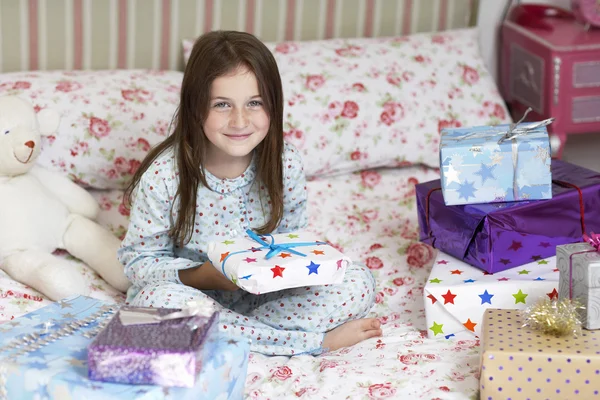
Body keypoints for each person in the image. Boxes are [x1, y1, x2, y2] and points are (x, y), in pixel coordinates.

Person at [118, 30, 380, 356]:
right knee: (153, 302)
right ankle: (309, 342)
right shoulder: (164, 176)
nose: (240, 120)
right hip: (194, 294)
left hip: (267, 297)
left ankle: (235, 333)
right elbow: (139, 264)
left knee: (358, 281)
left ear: (272, 105)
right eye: (222, 104)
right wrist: (208, 276)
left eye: (254, 103)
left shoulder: (285, 162)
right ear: (196, 107)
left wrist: (284, 272)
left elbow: (293, 240)